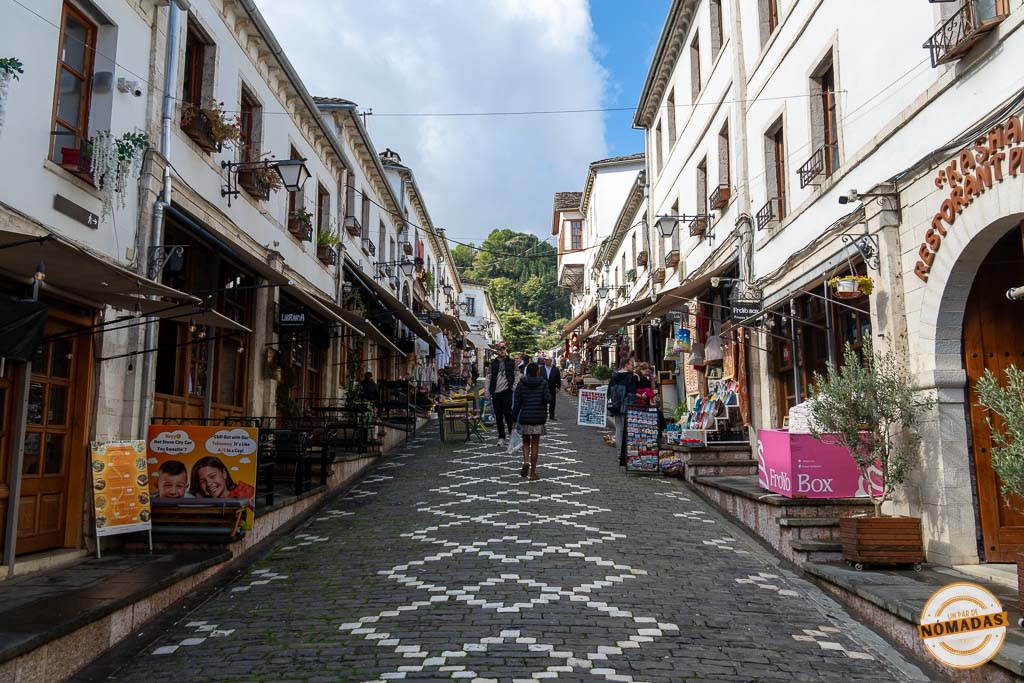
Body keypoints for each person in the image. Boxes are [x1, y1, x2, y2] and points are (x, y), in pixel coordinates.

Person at [512, 362, 549, 481]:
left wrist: (513, 418)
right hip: (538, 417)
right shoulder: (543, 383)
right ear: (537, 372)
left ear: (527, 372)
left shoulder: (521, 383)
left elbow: (517, 402)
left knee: (526, 442)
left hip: (525, 416)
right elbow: (547, 399)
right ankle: (533, 473)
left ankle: (526, 461)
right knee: (535, 444)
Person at [607, 357, 638, 467]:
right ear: (626, 365)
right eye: (631, 364)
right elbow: (632, 394)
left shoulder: (614, 376)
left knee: (619, 429)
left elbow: (609, 391)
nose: (633, 366)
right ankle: (627, 453)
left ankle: (619, 453)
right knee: (628, 429)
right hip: (626, 406)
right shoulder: (631, 377)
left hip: (615, 406)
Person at [486, 344, 517, 447]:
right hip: (495, 392)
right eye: (500, 350)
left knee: (507, 412)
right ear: (497, 352)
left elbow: (517, 375)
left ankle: (511, 434)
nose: (502, 351)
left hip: (507, 390)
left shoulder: (512, 362)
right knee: (498, 415)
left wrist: (514, 386)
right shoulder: (493, 364)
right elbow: (488, 378)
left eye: (503, 349)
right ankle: (501, 437)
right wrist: (487, 391)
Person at [190, 456, 255, 500]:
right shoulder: (198, 501)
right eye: (202, 481)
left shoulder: (245, 492)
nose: (208, 484)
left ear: (224, 473)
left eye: (212, 476)